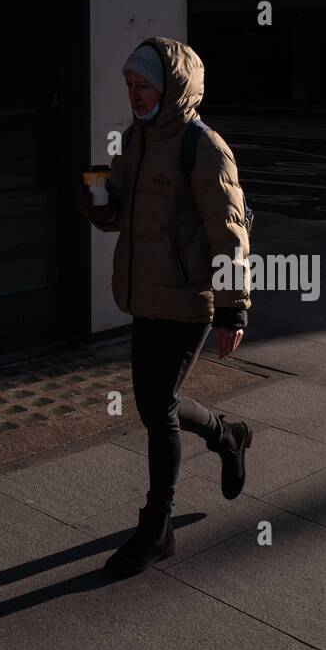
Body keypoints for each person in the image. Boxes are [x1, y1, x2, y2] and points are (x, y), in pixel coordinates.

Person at [77, 37, 253, 578]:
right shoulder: (135, 140)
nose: (133, 95)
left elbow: (229, 232)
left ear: (171, 87)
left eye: (143, 86)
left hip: (189, 300)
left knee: (157, 409)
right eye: (129, 86)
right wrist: (99, 203)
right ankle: (227, 435)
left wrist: (233, 309)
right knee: (157, 404)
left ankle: (156, 529)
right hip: (144, 295)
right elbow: (121, 218)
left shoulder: (202, 146)